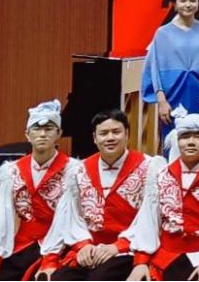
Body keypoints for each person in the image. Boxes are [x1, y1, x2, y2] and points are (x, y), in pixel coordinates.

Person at [36, 111, 154, 282]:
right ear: (94, 138)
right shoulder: (79, 170)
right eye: (103, 133)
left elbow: (150, 217)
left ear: (127, 134)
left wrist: (118, 246)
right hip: (90, 249)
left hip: (128, 249)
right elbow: (70, 215)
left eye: (116, 132)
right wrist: (82, 245)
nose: (110, 138)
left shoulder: (149, 167)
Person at [125, 107, 199, 282]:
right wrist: (141, 261)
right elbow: (148, 219)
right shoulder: (161, 174)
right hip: (166, 255)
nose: (190, 142)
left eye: (198, 136)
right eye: (185, 136)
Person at [0, 100, 79, 281]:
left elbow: (72, 217)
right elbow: (1, 215)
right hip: (23, 245)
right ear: (27, 134)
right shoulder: (12, 171)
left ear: (59, 133)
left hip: (63, 244)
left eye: (49, 129)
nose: (42, 134)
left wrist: (51, 258)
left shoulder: (73, 171)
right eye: (36, 129)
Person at [141, 0, 199, 140]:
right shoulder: (163, 33)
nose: (188, 4)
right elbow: (154, 69)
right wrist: (162, 101)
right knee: (174, 139)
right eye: (183, 0)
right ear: (175, 4)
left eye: (192, 0)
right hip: (173, 95)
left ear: (198, 4)